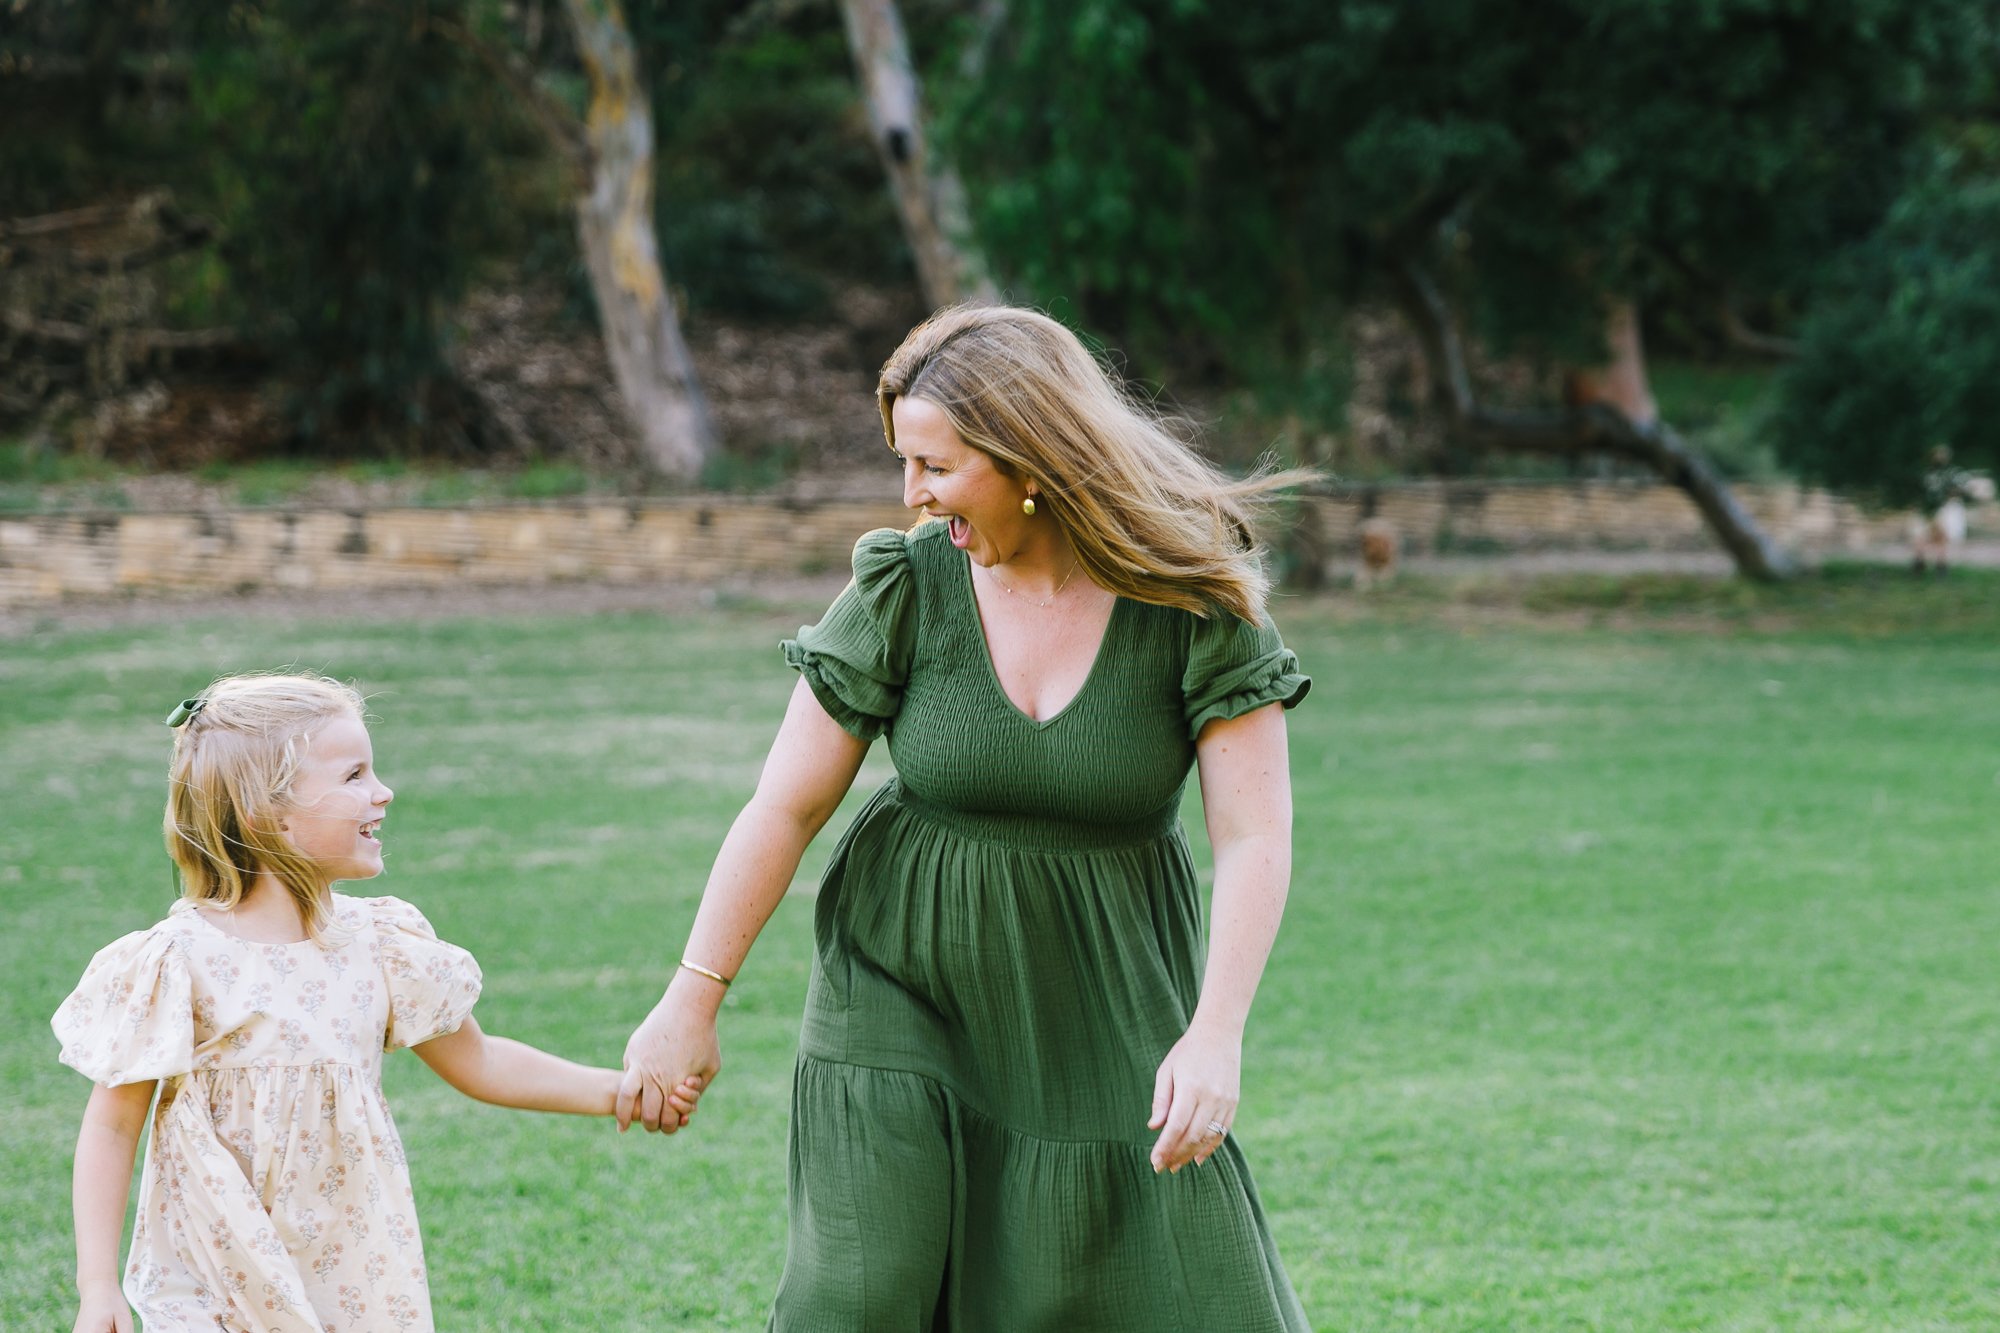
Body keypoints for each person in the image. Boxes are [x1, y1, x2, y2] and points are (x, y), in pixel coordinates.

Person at [619, 305, 1314, 1329]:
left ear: (1027, 457)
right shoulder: (906, 582)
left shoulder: (1190, 600)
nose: (912, 493)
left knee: (1148, 1293)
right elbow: (784, 802)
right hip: (896, 983)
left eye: (935, 466)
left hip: (1103, 1002)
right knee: (853, 1292)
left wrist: (1215, 1035)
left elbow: (1253, 835)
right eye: (904, 462)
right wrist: (691, 998)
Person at [54, 671, 700, 1333]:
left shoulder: (379, 946)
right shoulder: (176, 962)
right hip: (211, 1275)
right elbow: (111, 1125)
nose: (383, 791)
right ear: (266, 813)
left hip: (350, 1273)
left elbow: (483, 1062)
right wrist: (97, 1284)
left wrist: (617, 1090)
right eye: (354, 774)